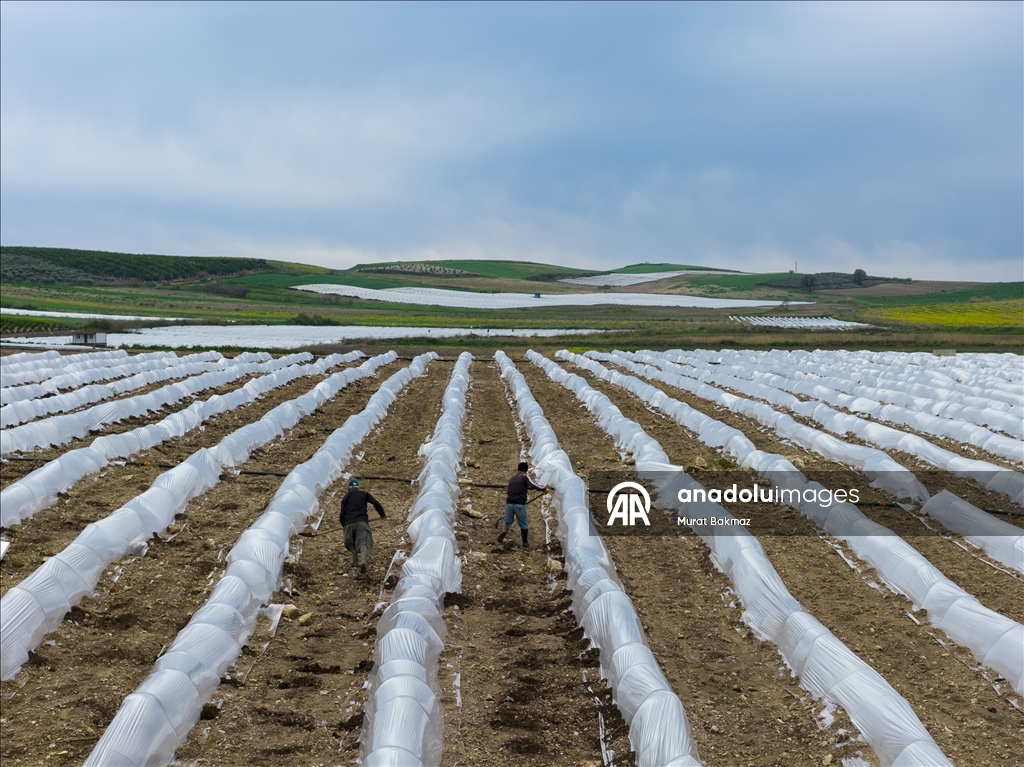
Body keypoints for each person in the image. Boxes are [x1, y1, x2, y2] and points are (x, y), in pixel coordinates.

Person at [498, 461, 547, 549]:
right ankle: (525, 542)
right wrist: (543, 488)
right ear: (526, 470)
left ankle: (504, 530)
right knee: (523, 523)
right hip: (519, 504)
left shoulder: (512, 478)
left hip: (509, 503)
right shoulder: (524, 477)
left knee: (508, 520)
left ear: (518, 468)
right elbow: (533, 485)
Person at [340, 478, 386, 573]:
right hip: (362, 522)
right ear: (358, 488)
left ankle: (355, 561)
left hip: (349, 523)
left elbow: (341, 515)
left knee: (350, 542)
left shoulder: (345, 498)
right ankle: (363, 561)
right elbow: (376, 503)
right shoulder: (364, 494)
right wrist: (382, 515)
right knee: (362, 542)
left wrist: (344, 526)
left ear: (349, 488)